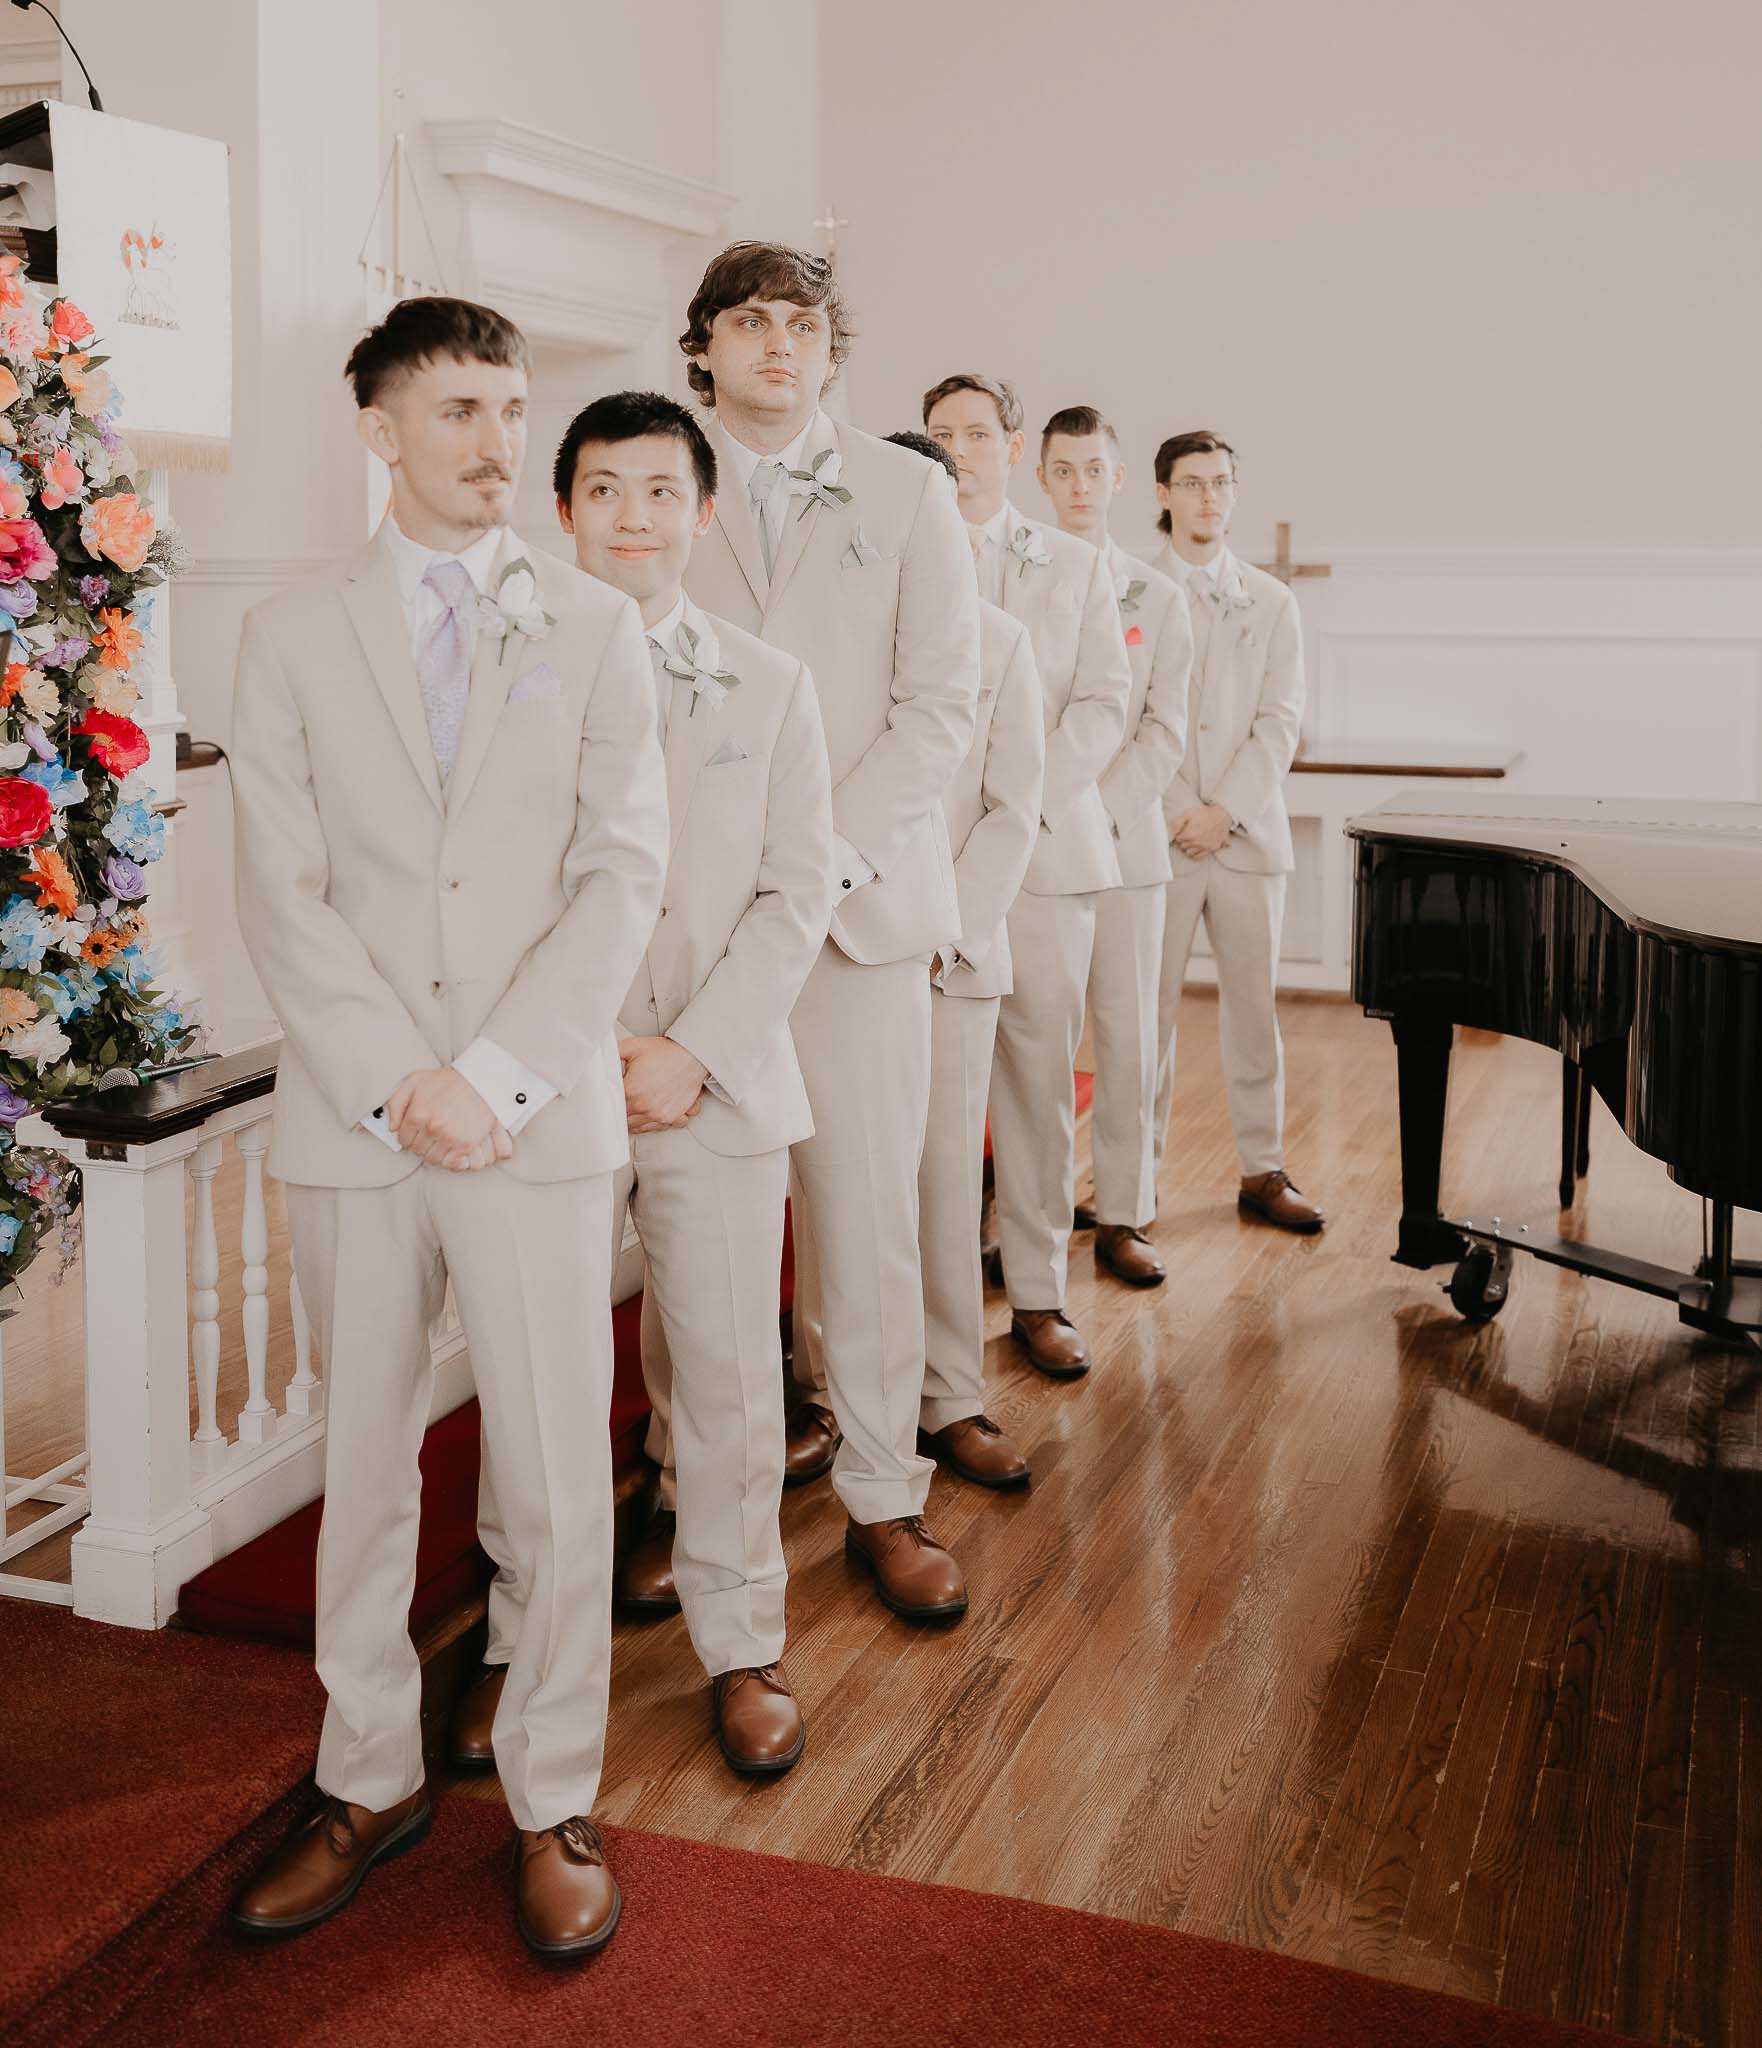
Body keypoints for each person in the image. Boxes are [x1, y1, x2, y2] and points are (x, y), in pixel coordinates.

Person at [227, 298, 668, 1957]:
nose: (501, 442)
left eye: (512, 406)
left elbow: (621, 875)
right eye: (465, 409)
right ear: (380, 427)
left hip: (528, 1122)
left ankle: (555, 1791)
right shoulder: (288, 631)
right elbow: (281, 883)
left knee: (554, 1480)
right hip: (359, 1120)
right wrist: (396, 1072)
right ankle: (365, 1775)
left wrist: (492, 1072)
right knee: (362, 1469)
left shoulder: (595, 621)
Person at [451, 392, 833, 1780]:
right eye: (603, 491)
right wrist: (570, 1041)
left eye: (661, 492)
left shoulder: (772, 684)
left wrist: (691, 1050)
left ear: (703, 513)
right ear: (562, 511)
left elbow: (797, 894)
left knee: (729, 1374)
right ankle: (516, 1637)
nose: (632, 518)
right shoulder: (500, 668)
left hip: (714, 1073)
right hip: (547, 1073)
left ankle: (742, 1641)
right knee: (533, 1368)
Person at [680, 242, 981, 1621]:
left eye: (801, 326)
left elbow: (938, 710)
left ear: (831, 350)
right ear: (704, 348)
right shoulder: (648, 477)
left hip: (855, 919)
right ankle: (692, 1502)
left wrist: (822, 865)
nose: (778, 347)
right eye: (749, 323)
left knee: (865, 1224)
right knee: (696, 1236)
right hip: (694, 926)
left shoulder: (910, 490)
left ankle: (881, 1493)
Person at [925, 372, 1130, 1380]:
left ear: (1013, 447)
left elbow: (1101, 702)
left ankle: (1039, 1291)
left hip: (1047, 851)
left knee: (1040, 1080)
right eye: (940, 433)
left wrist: (1024, 801)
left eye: (976, 431)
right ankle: (942, 1301)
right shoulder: (904, 553)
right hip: (932, 859)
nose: (959, 447)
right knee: (939, 1095)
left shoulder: (1073, 563)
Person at [886, 430, 1045, 1488]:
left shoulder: (1000, 640)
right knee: (844, 1187)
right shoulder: (824, 637)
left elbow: (1011, 807)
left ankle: (949, 1395)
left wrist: (942, 929)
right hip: (832, 950)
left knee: (944, 1180)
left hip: (949, 953)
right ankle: (830, 1392)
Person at [1146, 431, 1321, 1234]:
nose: (1209, 498)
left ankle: (1262, 1168)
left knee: (1253, 1016)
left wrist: (1225, 813)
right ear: (1163, 494)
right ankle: (1132, 1183)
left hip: (1247, 838)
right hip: (1160, 834)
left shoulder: (1274, 602)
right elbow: (1125, 714)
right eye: (1193, 483)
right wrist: (1179, 807)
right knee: (1143, 1016)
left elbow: (1280, 723)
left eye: (1221, 484)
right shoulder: (1132, 590)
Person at [1037, 405, 1191, 1286]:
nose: (1081, 486)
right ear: (1045, 479)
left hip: (1126, 849)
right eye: (1065, 471)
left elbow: (1164, 732)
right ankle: (1032, 1217)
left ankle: (1126, 1214)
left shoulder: (1159, 597)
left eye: (1096, 469)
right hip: (1036, 853)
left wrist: (1087, 809)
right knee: (1037, 1047)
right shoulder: (1022, 577)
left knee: (1129, 1042)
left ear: (1119, 479)